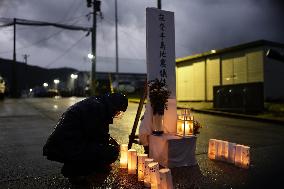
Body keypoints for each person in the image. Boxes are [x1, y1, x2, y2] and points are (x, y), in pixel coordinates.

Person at [43, 92, 128, 183]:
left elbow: (95, 132)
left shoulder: (96, 104)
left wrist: (108, 139)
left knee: (102, 148)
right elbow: (99, 137)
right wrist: (113, 149)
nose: (116, 114)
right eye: (117, 111)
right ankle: (78, 172)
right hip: (66, 146)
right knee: (111, 152)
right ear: (113, 106)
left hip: (61, 144)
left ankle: (73, 167)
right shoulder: (98, 109)